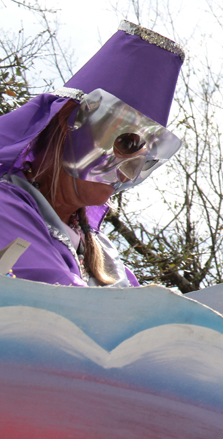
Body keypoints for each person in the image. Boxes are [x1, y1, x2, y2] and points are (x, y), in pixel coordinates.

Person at [0, 21, 185, 287]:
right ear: (69, 120)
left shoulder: (106, 255)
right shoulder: (5, 206)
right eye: (129, 144)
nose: (129, 172)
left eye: (147, 158)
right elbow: (67, 307)